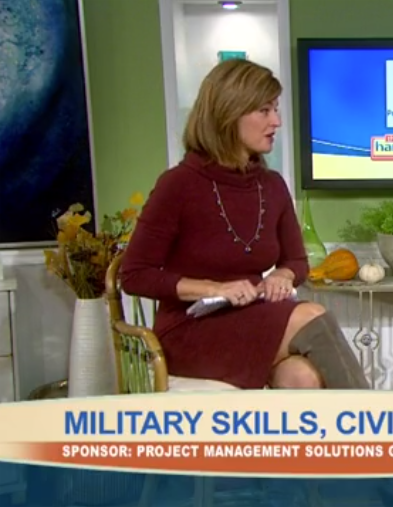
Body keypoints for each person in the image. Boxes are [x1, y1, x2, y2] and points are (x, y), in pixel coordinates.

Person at [120, 59, 368, 390]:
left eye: (275, 109)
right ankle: (373, 419)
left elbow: (296, 261)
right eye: (264, 111)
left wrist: (283, 275)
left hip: (253, 318)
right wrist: (213, 289)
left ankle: (334, 425)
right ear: (228, 114)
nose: (276, 121)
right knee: (310, 315)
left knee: (301, 377)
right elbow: (135, 275)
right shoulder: (178, 185)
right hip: (191, 329)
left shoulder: (272, 185)